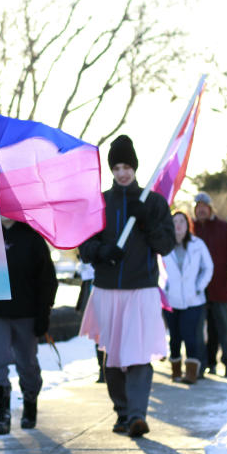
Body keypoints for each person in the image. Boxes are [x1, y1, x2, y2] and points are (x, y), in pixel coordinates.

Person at [79, 135, 175, 438]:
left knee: (138, 353)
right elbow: (85, 246)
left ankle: (137, 415)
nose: (123, 172)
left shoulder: (153, 202)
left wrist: (147, 223)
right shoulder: (100, 202)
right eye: (117, 167)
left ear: (135, 167)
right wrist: (101, 252)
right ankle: (122, 412)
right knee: (113, 354)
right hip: (107, 289)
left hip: (142, 288)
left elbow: (167, 245)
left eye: (127, 166)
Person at [0, 217, 58, 435]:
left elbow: (47, 279)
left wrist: (44, 313)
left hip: (26, 312)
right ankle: (1, 415)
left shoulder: (32, 237)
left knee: (27, 363)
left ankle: (30, 402)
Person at [192, 192, 227, 378]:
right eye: (197, 207)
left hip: (221, 289)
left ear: (210, 208)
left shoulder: (225, 229)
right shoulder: (191, 230)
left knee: (225, 330)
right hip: (196, 291)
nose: (201, 210)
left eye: (204, 206)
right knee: (199, 331)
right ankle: (204, 363)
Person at [161, 211, 213, 384]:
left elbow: (208, 268)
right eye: (175, 221)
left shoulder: (198, 244)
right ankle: (176, 372)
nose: (178, 224)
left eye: (182, 221)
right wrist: (163, 288)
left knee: (190, 336)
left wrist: (199, 287)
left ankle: (191, 374)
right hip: (171, 300)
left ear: (187, 224)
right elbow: (158, 270)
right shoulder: (164, 246)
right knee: (175, 338)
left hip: (193, 300)